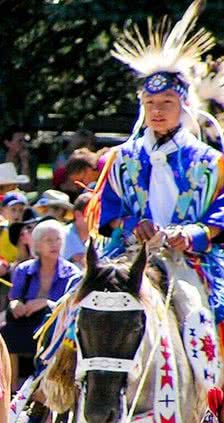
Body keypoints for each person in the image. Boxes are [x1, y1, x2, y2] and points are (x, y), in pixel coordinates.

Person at [88, 2, 224, 339]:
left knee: (207, 324)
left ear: (183, 106)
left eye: (166, 103)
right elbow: (109, 211)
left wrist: (189, 235)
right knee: (78, 308)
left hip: (192, 262)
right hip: (130, 258)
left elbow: (221, 214)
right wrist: (134, 225)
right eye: (150, 104)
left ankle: (211, 388)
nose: (157, 111)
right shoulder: (122, 158)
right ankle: (53, 381)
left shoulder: (210, 161)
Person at [1, 219, 81, 387]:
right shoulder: (24, 269)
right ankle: (12, 386)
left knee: (50, 326)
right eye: (48, 240)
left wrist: (46, 302)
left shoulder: (72, 273)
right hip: (26, 319)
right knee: (7, 330)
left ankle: (44, 385)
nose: (55, 245)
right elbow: (15, 297)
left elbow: (69, 307)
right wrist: (15, 304)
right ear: (37, 245)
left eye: (58, 239)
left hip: (55, 323)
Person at [62, 192, 92, 267]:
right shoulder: (62, 236)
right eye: (92, 213)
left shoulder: (99, 238)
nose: (98, 217)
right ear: (78, 215)